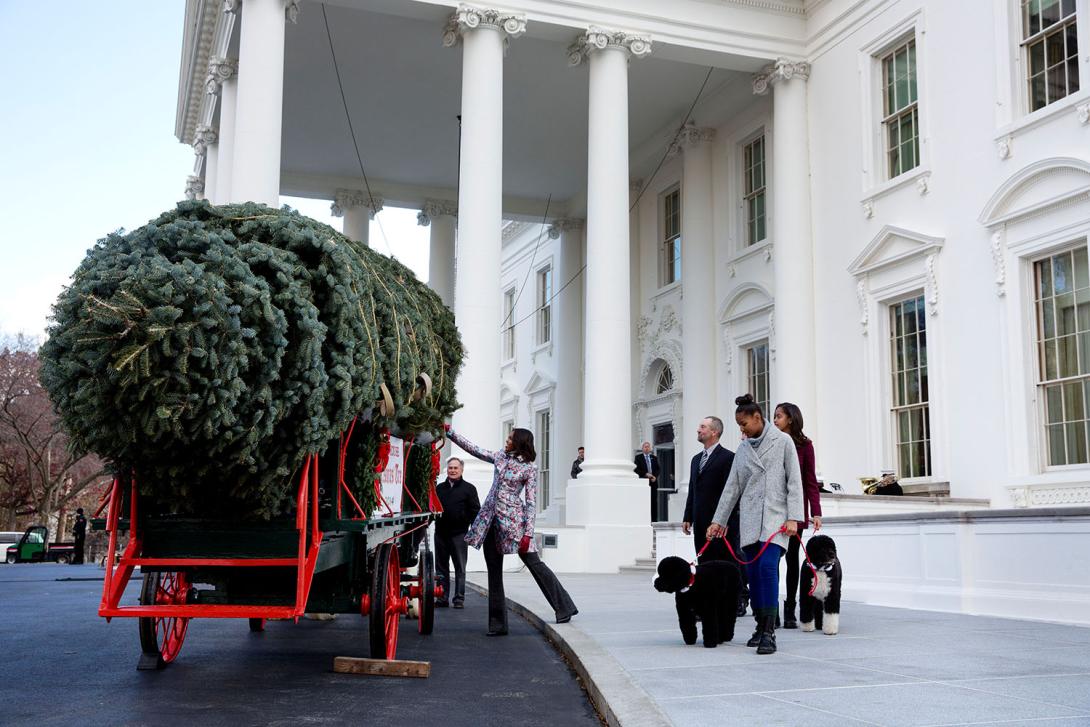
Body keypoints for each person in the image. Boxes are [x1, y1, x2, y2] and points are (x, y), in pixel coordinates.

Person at [446, 425, 578, 635]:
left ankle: (564, 607)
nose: (506, 441)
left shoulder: (529, 468)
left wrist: (528, 533)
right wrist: (450, 433)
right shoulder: (500, 457)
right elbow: (476, 450)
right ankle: (497, 625)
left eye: (510, 438)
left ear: (519, 442)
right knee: (494, 572)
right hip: (490, 522)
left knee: (535, 564)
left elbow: (532, 502)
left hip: (514, 523)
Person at [708, 395, 804, 655]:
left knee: (767, 568)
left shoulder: (783, 441)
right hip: (750, 519)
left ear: (757, 418)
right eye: (739, 425)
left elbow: (794, 481)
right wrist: (718, 521)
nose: (742, 429)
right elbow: (732, 488)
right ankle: (760, 626)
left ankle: (770, 632)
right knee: (753, 575)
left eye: (744, 424)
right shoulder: (743, 449)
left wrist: (794, 517)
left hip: (776, 518)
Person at [773, 402, 822, 629]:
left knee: (793, 561)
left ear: (791, 419)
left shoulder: (805, 445)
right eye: (774, 416)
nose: (775, 420)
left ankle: (790, 609)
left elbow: (810, 481)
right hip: (773, 509)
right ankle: (771, 610)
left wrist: (816, 512)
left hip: (795, 510)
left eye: (779, 416)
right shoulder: (771, 442)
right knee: (771, 561)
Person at [682, 417, 735, 564]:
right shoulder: (695, 459)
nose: (698, 430)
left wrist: (725, 521)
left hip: (718, 524)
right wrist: (687, 517)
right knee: (703, 564)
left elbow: (731, 492)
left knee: (720, 566)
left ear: (714, 432)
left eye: (703, 427)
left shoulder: (728, 457)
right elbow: (692, 489)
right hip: (699, 523)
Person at [434, 457, 480, 609]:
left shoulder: (469, 489)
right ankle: (442, 598)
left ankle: (459, 599)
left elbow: (475, 512)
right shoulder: (439, 488)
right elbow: (433, 508)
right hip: (440, 532)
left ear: (461, 470)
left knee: (460, 567)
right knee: (441, 567)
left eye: (455, 468)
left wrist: (474, 533)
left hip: (459, 534)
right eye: (450, 468)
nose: (452, 470)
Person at [633, 441, 661, 520]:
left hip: (653, 483)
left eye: (648, 446)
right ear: (642, 448)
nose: (647, 448)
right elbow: (636, 469)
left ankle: (654, 520)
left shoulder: (654, 458)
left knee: (653, 502)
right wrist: (646, 474)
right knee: (644, 502)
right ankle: (644, 519)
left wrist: (655, 476)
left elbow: (658, 469)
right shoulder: (638, 458)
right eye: (645, 446)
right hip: (643, 483)